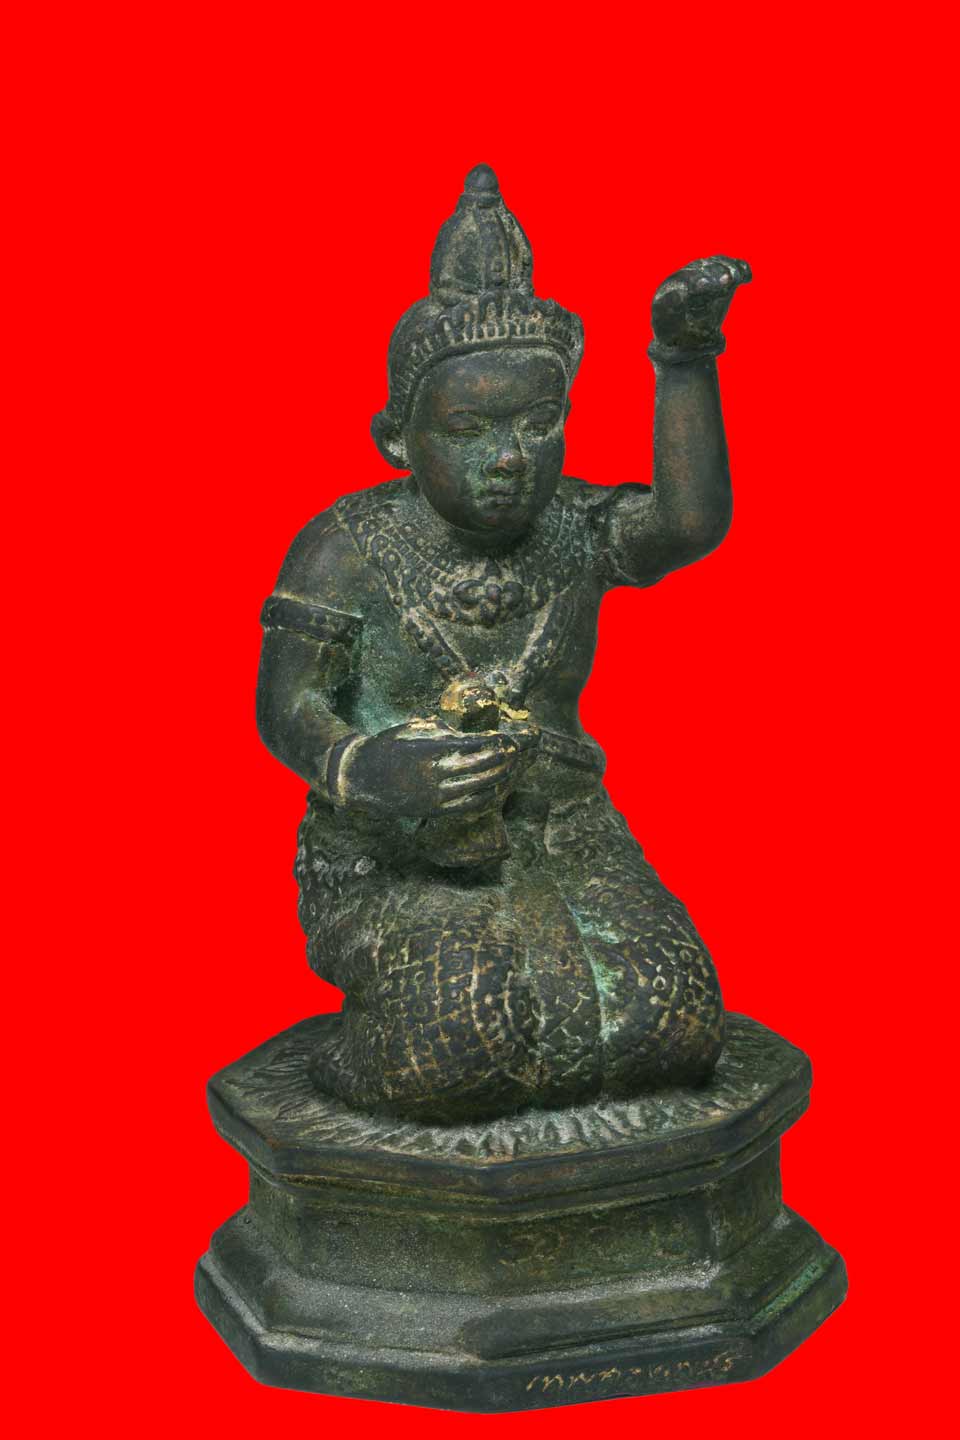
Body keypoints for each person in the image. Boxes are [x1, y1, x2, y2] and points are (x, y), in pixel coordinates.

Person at [256, 164, 751, 1122]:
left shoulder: (575, 526)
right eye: (470, 429)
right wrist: (363, 768)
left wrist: (685, 361)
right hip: (398, 848)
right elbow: (288, 704)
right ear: (398, 438)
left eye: (539, 423)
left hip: (565, 827)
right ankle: (341, 1085)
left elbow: (689, 521)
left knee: (673, 1026)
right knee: (458, 1046)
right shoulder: (344, 545)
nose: (510, 456)